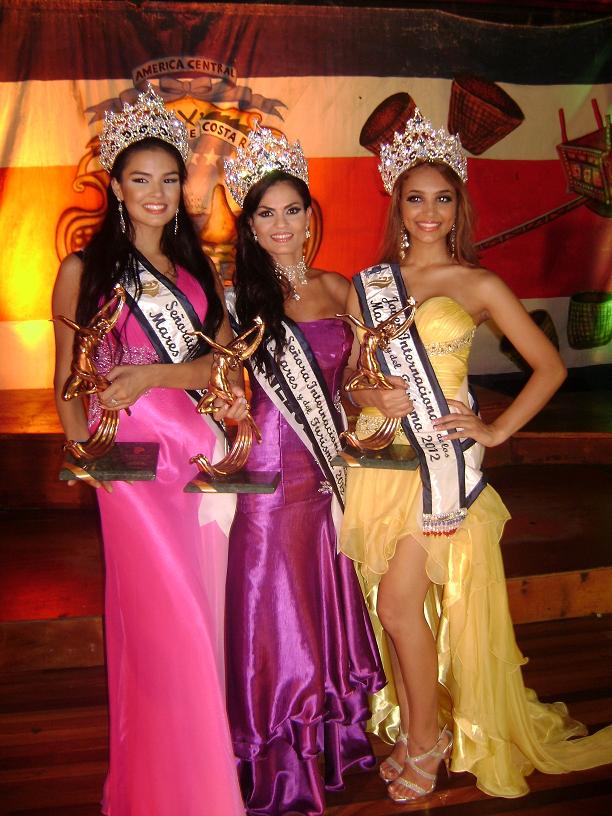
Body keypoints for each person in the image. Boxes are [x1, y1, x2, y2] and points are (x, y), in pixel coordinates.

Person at [339, 108, 612, 803]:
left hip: (440, 467)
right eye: (415, 198)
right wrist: (371, 391)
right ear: (398, 206)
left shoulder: (479, 284)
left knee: (399, 606)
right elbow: (351, 380)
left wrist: (495, 430)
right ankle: (420, 724)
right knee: (392, 607)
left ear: (458, 206)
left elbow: (549, 367)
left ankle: (427, 739)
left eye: (443, 198)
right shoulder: (370, 283)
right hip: (380, 464)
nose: (429, 212)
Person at [52, 86, 246, 816]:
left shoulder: (199, 273)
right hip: (131, 471)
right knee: (170, 625)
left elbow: (219, 368)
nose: (157, 193)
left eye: (169, 179)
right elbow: (66, 381)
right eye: (141, 179)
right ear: (116, 186)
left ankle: (177, 782)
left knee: (199, 617)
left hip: (197, 460)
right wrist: (87, 456)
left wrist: (158, 377)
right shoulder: (83, 270)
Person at [222, 126, 386, 816]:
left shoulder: (339, 287)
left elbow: (357, 381)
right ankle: (275, 753)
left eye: (293, 209)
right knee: (273, 609)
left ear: (310, 214)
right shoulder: (233, 297)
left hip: (326, 474)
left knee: (321, 601)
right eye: (266, 213)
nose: (282, 225)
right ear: (249, 224)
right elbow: (218, 381)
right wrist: (226, 401)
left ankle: (331, 739)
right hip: (268, 476)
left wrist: (378, 398)